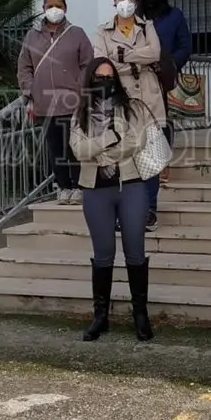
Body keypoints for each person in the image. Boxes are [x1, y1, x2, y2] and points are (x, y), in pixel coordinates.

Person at [69, 58, 154, 342]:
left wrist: (102, 154)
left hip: (130, 184)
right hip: (95, 190)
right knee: (103, 253)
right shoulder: (79, 112)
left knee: (135, 251)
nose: (104, 81)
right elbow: (78, 150)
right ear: (90, 80)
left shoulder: (131, 107)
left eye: (109, 76)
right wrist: (109, 138)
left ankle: (140, 314)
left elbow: (136, 142)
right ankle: (100, 316)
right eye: (99, 76)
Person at [91, 0, 167, 232]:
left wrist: (121, 57)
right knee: (121, 154)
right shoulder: (102, 31)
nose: (126, 1)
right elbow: (101, 63)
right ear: (114, 0)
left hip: (148, 98)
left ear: (137, 1)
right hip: (118, 98)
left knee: (150, 156)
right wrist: (136, 60)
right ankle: (122, 211)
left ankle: (149, 210)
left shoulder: (147, 27)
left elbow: (154, 53)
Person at [17, 0, 94, 204]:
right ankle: (63, 187)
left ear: (65, 8)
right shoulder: (32, 36)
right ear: (43, 8)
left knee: (75, 146)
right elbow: (24, 66)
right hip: (46, 105)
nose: (54, 10)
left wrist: (79, 89)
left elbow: (88, 64)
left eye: (58, 5)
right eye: (50, 5)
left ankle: (79, 187)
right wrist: (32, 90)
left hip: (73, 103)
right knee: (55, 148)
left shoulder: (76, 33)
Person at [137, 0, 193, 187]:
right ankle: (145, 159)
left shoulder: (174, 16)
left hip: (164, 77)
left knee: (162, 120)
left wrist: (170, 64)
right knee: (142, 120)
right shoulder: (135, 18)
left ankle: (162, 161)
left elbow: (185, 46)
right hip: (139, 77)